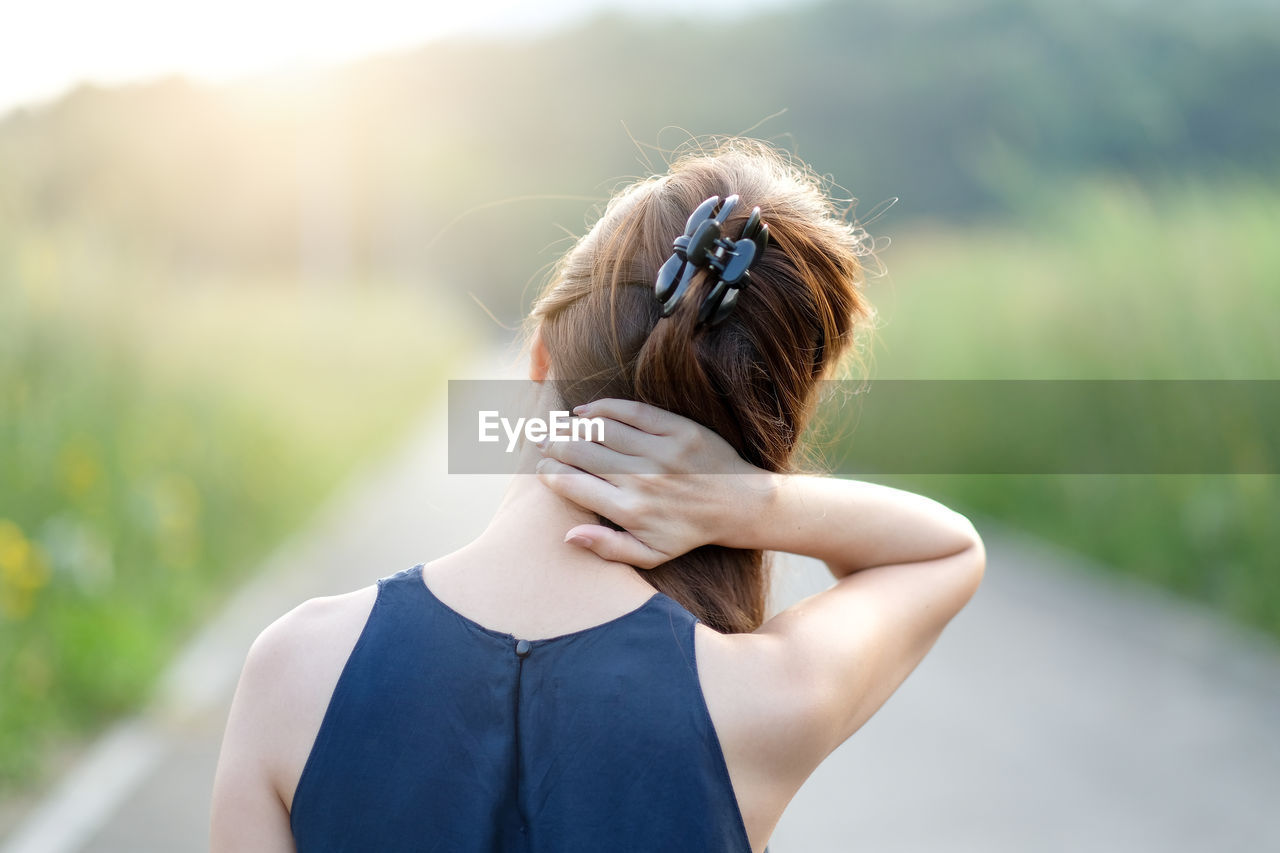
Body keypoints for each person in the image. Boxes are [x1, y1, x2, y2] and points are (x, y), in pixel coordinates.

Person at [210, 138, 985, 852]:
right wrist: (748, 500)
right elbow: (946, 549)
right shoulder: (759, 699)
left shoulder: (297, 667)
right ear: (762, 431)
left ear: (541, 357)